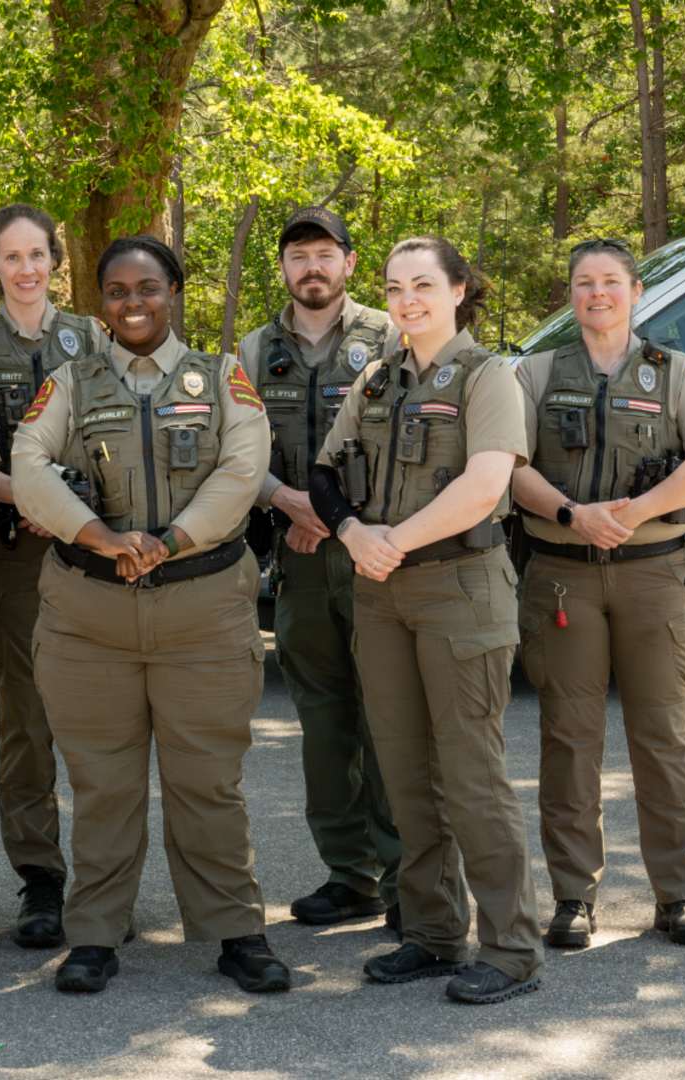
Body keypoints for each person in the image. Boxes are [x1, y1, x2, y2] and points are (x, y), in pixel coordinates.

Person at [11, 235, 289, 996]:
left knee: (208, 782)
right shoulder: (71, 381)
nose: (133, 304)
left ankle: (236, 930)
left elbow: (242, 470)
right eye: (117, 292)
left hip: (201, 609)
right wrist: (97, 534)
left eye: (148, 288)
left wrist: (171, 539)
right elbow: (27, 463)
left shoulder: (223, 376)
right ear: (100, 302)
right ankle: (94, 935)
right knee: (102, 784)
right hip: (88, 613)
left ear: (174, 293)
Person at [308, 236, 544, 1006]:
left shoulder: (487, 376)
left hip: (458, 589)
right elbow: (323, 471)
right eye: (394, 287)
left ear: (457, 290)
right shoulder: (375, 378)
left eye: (422, 285)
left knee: (470, 776)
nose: (406, 299)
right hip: (382, 595)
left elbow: (485, 486)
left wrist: (388, 543)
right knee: (405, 773)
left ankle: (509, 949)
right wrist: (352, 536)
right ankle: (434, 933)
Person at [510, 237, 685, 949]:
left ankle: (678, 895)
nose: (596, 294)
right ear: (568, 294)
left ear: (636, 291)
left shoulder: (676, 373)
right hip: (561, 575)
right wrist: (576, 516)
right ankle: (572, 898)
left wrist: (629, 514)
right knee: (568, 742)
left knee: (662, 740)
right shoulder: (535, 374)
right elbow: (508, 468)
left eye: (609, 282)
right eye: (582, 283)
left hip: (654, 574)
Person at [235, 205, 402, 932]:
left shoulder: (390, 337)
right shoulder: (252, 350)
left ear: (349, 264)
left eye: (324, 254)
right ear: (283, 269)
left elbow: (407, 444)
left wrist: (334, 517)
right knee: (325, 724)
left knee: (390, 721)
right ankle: (349, 875)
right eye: (298, 256)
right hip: (298, 562)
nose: (312, 267)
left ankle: (408, 881)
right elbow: (238, 453)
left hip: (373, 558)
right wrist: (287, 503)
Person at [0, 205, 106, 948]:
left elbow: (113, 434)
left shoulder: (92, 336)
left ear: (55, 260)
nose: (26, 268)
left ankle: (106, 882)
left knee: (105, 726)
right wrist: (36, 501)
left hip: (89, 551)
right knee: (26, 727)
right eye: (10, 256)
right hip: (12, 553)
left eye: (37, 254)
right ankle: (41, 881)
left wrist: (71, 514)